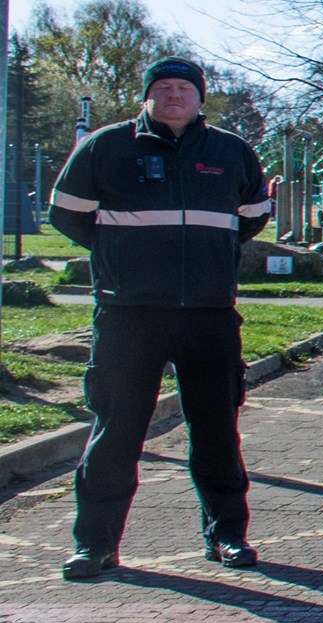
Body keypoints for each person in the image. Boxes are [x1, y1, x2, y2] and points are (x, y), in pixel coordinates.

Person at [48, 57, 270, 579]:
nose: (175, 95)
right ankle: (95, 545)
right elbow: (67, 211)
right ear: (147, 95)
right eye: (164, 87)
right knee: (117, 432)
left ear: (200, 97)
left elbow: (253, 216)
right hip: (130, 314)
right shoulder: (107, 145)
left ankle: (227, 536)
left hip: (209, 315)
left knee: (217, 431)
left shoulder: (230, 151)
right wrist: (120, 255)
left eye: (185, 88)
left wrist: (208, 257)